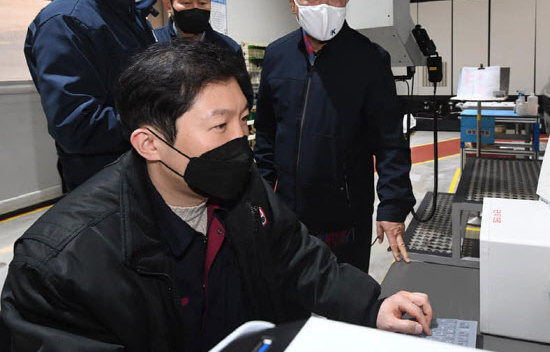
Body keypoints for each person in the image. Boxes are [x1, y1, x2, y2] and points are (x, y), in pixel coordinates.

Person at [1, 41, 433, 351]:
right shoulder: (59, 263)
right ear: (149, 143)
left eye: (244, 121)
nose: (240, 142)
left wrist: (371, 305)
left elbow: (295, 256)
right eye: (219, 126)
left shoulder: (243, 187)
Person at [254, 0, 415, 272]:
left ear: (346, 1)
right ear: (293, 3)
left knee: (346, 301)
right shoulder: (277, 55)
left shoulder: (370, 58)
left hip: (344, 214)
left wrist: (393, 206)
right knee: (285, 298)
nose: (324, 5)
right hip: (284, 210)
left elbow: (389, 142)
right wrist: (261, 193)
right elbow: (266, 132)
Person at [24, 0, 159, 192]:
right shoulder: (64, 23)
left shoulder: (131, 12)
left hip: (147, 172)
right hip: (103, 185)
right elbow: (76, 126)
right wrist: (162, 117)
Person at [154, 0, 253, 107]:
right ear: (168, 5)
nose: (195, 8)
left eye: (202, 3)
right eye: (186, 3)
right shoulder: (153, 43)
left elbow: (244, 97)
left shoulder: (228, 48)